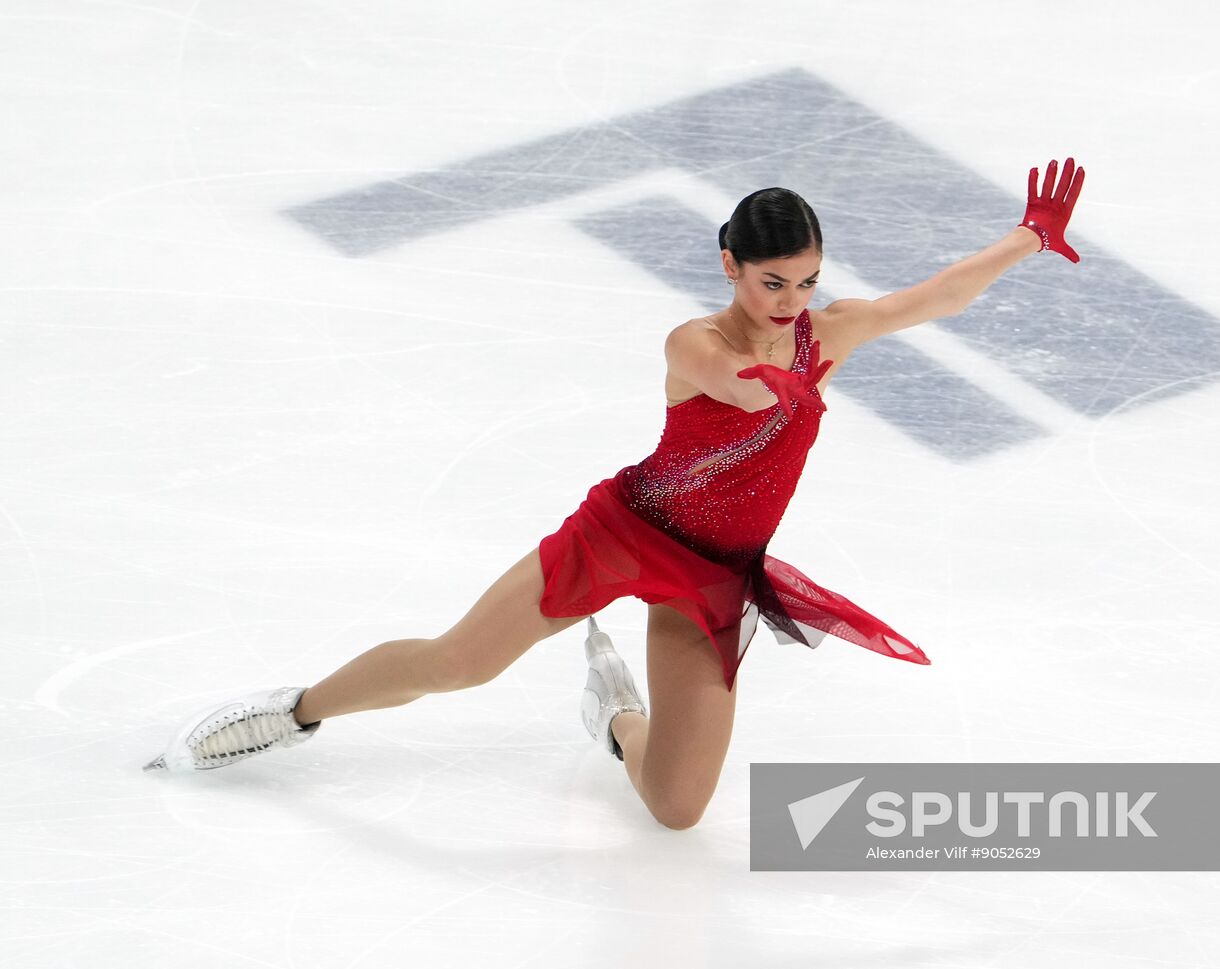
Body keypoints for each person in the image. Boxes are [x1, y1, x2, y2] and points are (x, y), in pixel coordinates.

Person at [144, 158, 1087, 830]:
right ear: (730, 266)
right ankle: (295, 709)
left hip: (714, 576)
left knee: (677, 810)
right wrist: (784, 383)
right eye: (772, 281)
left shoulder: (825, 332)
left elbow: (938, 297)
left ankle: (613, 715)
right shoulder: (697, 344)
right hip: (626, 532)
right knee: (459, 661)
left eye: (806, 280)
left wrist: (1026, 238)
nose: (793, 300)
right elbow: (734, 384)